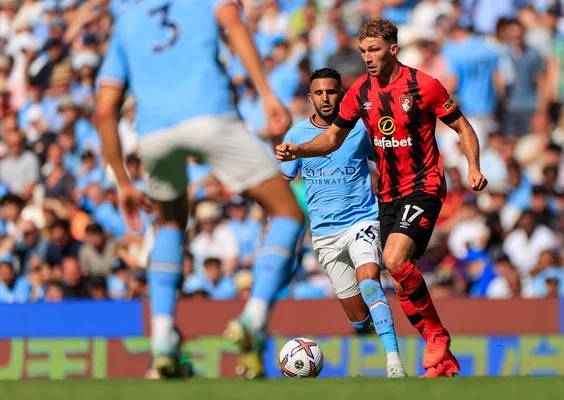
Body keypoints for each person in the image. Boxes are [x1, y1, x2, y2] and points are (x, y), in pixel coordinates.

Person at [95, 0, 304, 379]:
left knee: (171, 224)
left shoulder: (126, 19)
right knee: (287, 211)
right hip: (212, 117)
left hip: (154, 134)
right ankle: (254, 318)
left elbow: (104, 109)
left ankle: (161, 343)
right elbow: (236, 26)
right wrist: (266, 92)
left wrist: (123, 182)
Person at [276, 19, 488, 377]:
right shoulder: (359, 92)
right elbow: (331, 139)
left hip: (424, 184)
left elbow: (463, 127)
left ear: (393, 49)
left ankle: (435, 338)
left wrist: (473, 166)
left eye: (374, 50)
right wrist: (298, 149)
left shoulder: (425, 86)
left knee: (392, 258)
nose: (368, 58)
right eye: (362, 51)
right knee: (398, 271)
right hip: (388, 195)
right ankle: (442, 359)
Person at [279, 67, 406, 378]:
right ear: (310, 97)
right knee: (358, 315)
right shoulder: (296, 136)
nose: (325, 98)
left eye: (331, 91)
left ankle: (394, 363)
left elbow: (390, 161)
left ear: (342, 94)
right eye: (319, 93)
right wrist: (275, 223)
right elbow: (282, 185)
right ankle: (365, 334)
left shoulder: (361, 129)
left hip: (362, 221)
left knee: (369, 281)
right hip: (324, 236)